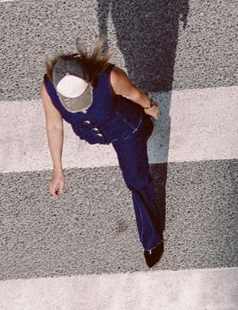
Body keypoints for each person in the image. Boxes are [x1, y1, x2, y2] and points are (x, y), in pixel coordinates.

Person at [41, 43, 165, 268]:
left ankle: (151, 239)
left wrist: (149, 106)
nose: (76, 107)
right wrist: (58, 170)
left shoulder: (111, 77)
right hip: (94, 133)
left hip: (126, 129)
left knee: (136, 181)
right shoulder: (48, 88)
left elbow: (134, 94)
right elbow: (53, 126)